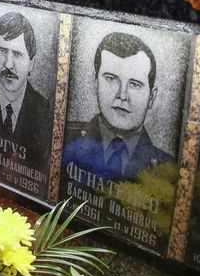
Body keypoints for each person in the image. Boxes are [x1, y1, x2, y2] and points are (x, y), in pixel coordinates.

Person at [62, 31, 173, 182]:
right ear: (95, 84)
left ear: (151, 97)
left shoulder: (169, 170)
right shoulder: (63, 137)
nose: (122, 95)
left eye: (134, 84)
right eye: (111, 79)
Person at [0, 12, 51, 165]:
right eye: (2, 51)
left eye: (17, 54)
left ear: (31, 62)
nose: (8, 64)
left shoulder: (46, 111)